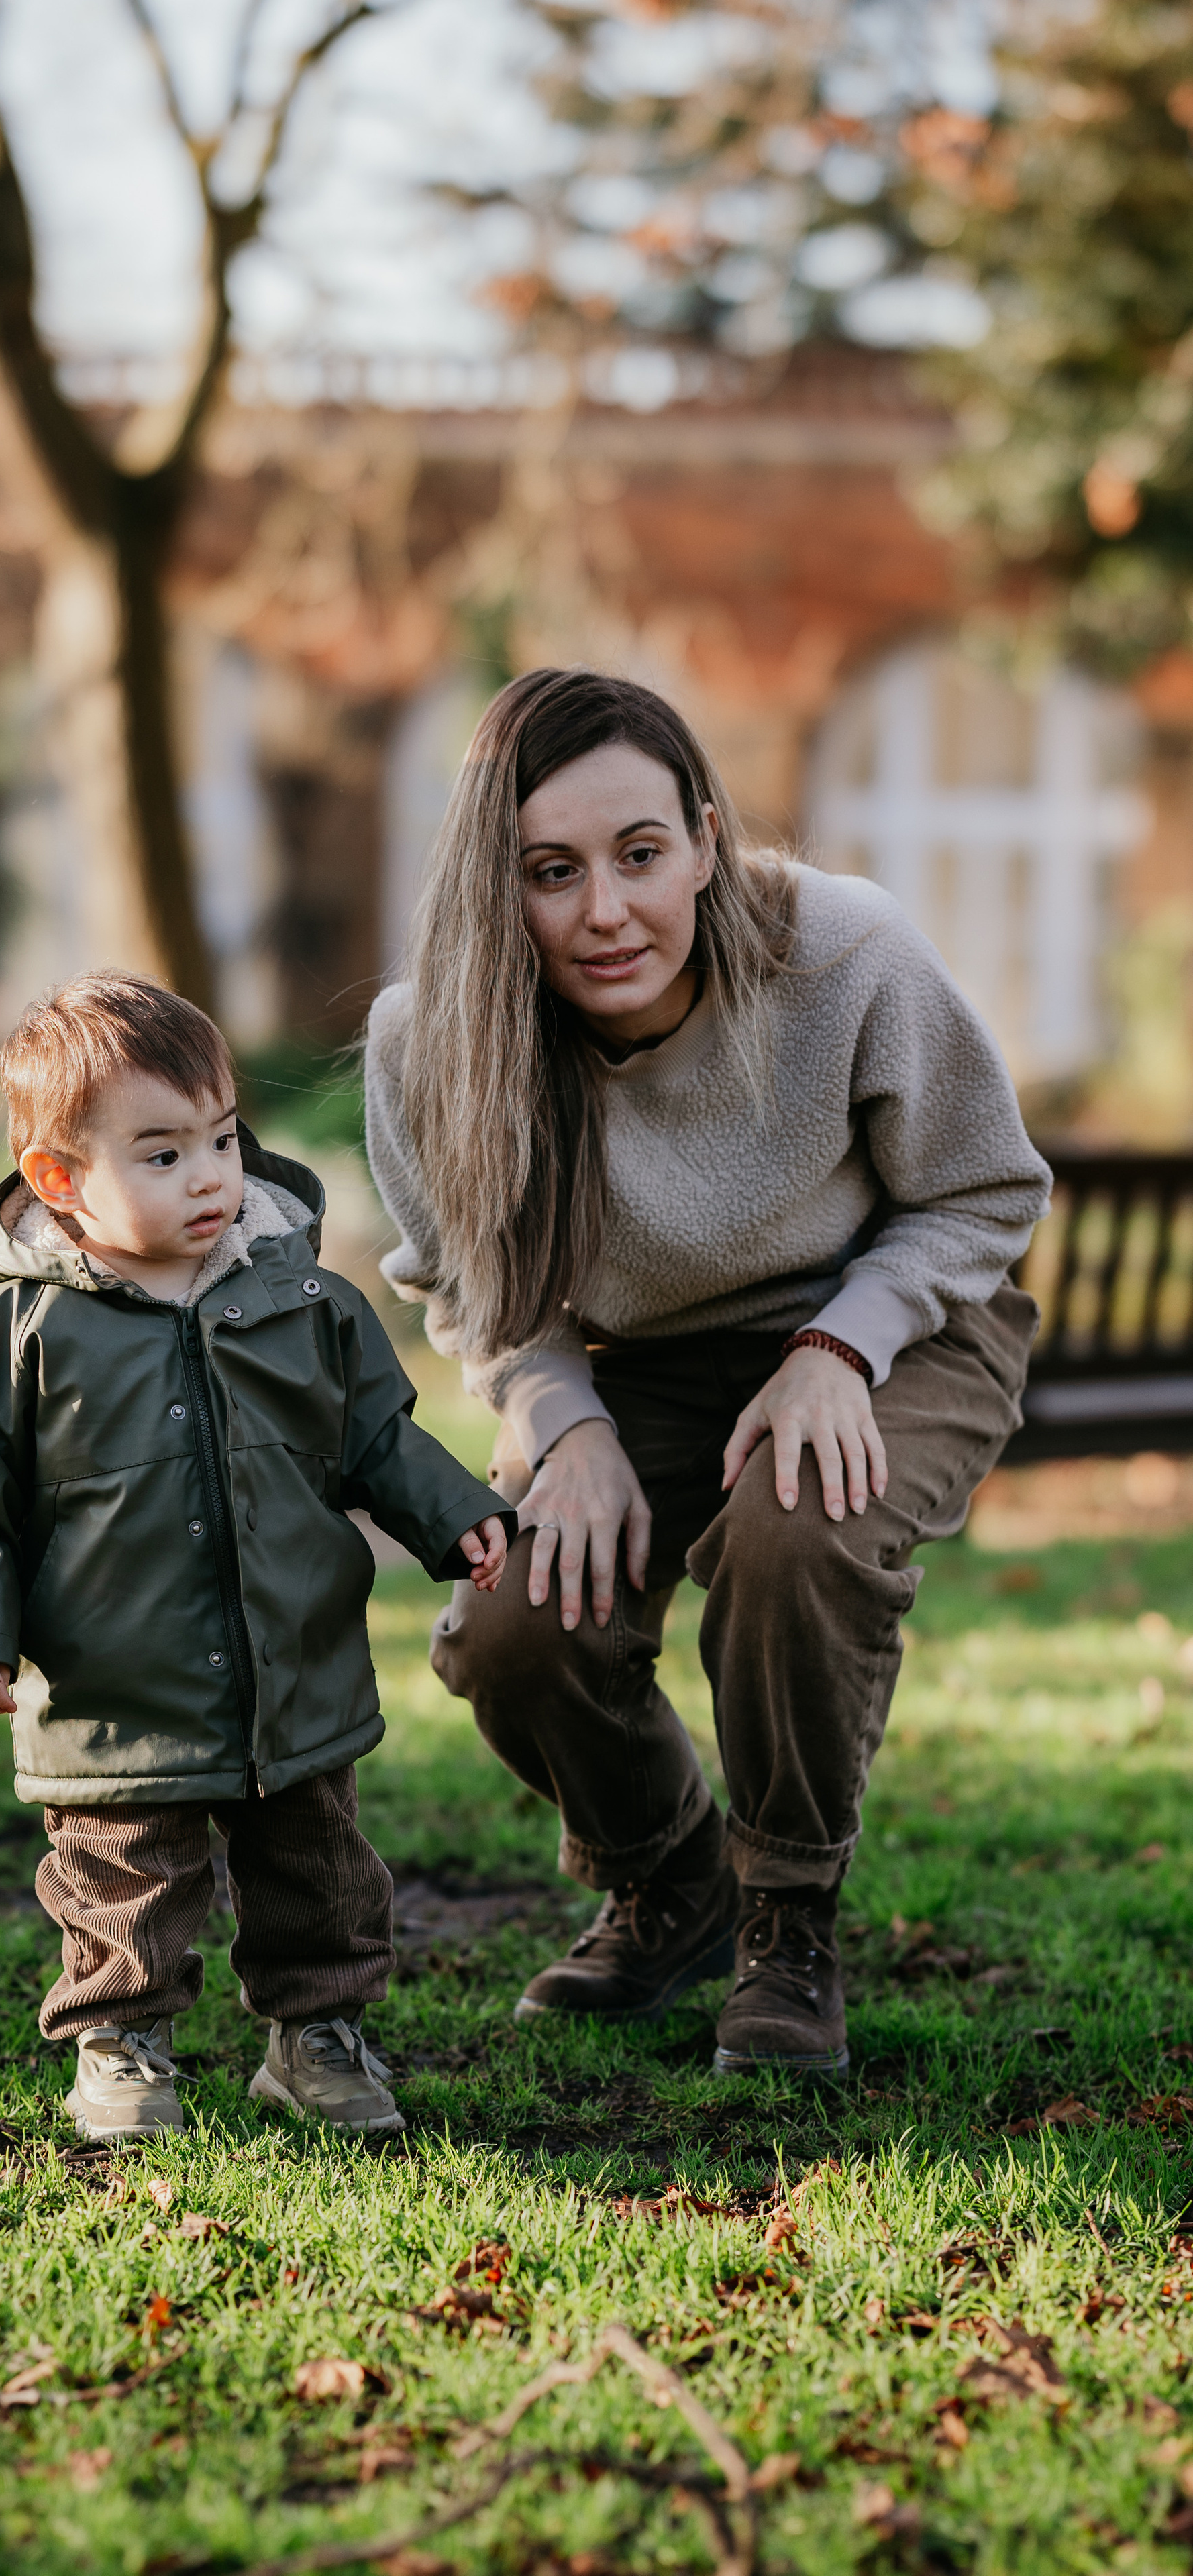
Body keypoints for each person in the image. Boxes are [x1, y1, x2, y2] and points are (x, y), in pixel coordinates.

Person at [365, 668, 1051, 2079]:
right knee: (514, 1618)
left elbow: (982, 1192)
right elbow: (470, 1286)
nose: (603, 912)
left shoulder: (844, 954)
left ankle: (786, 1922)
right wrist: (558, 1420)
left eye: (638, 855)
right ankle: (672, 1883)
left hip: (896, 1322)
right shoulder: (426, 1042)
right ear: (495, 889)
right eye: (548, 873)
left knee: (792, 1529)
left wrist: (830, 1351)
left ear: (705, 839)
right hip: (627, 1365)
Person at [0, 971, 511, 2143]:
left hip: (295, 1665)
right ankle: (122, 2041)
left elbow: (373, 1435)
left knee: (320, 1867)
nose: (210, 1177)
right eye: (162, 1154)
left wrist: (455, 1515)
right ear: (60, 1182)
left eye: (221, 1140)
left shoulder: (300, 1301)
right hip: (114, 1688)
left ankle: (317, 2035)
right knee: (124, 1881)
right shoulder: (17, 1334)